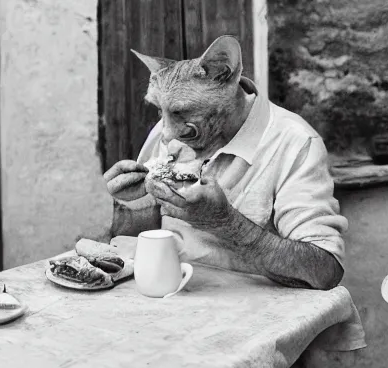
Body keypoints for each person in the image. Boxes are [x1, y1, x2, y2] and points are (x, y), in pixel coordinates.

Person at [103, 36, 347, 291]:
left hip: (261, 314)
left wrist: (225, 223)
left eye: (180, 112)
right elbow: (135, 242)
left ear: (225, 75)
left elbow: (325, 271)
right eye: (159, 111)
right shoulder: (170, 131)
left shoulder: (295, 143)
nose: (166, 133)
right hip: (172, 297)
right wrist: (132, 203)